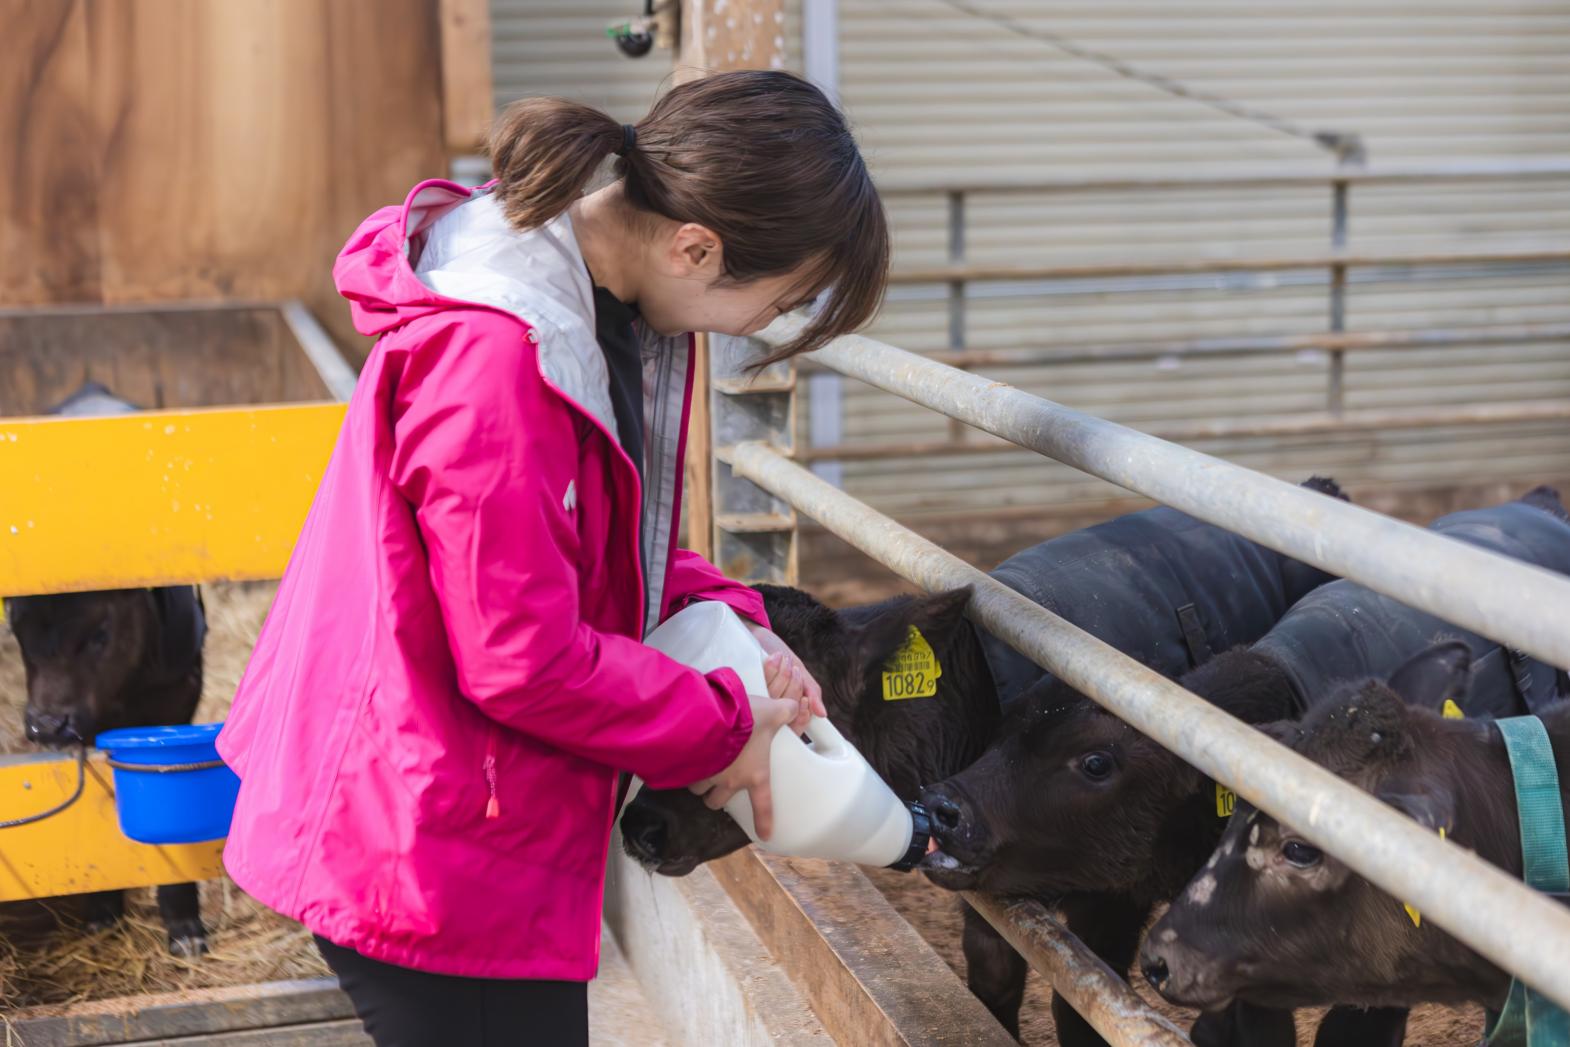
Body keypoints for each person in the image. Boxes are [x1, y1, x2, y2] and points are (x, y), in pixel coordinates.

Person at [216, 70, 890, 1046]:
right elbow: (521, 656)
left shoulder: (594, 300)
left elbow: (569, 548)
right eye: (778, 303)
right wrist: (723, 727)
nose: (759, 332)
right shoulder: (502, 357)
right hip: (423, 831)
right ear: (696, 247)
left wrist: (730, 612)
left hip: (445, 800)